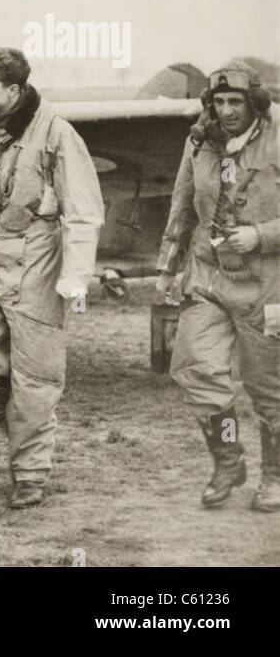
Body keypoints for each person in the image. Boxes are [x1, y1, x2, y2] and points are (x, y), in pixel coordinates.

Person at [0, 48, 103, 509]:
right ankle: (25, 436)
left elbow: (83, 211)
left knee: (35, 380)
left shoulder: (57, 133)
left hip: (39, 271)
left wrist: (75, 278)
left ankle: (29, 474)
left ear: (14, 90)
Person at [156, 61, 279, 512]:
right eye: (219, 101)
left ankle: (274, 477)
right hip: (209, 275)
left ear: (255, 103)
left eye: (236, 102)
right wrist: (168, 267)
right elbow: (182, 204)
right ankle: (228, 458)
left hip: (268, 283)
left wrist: (262, 235)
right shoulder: (201, 140)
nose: (227, 111)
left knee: (269, 387)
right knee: (197, 368)